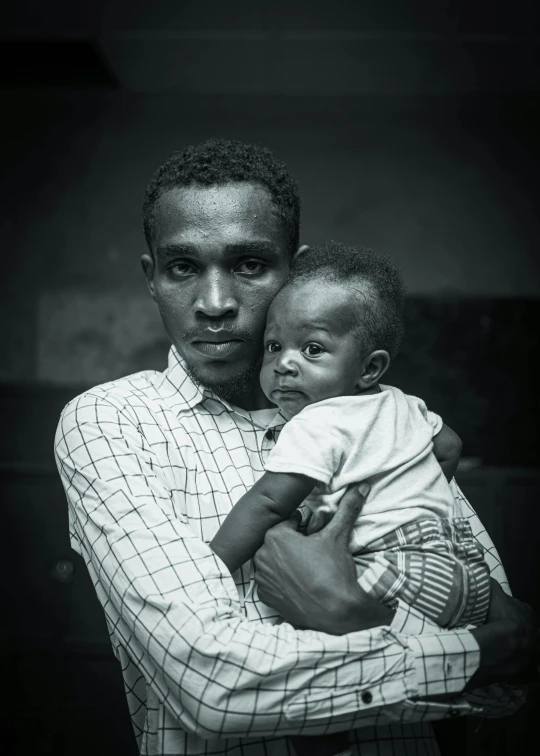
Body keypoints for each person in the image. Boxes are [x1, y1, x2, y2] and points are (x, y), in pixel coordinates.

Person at [55, 138, 536, 756]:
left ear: (294, 272)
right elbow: (211, 686)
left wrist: (354, 620)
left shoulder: (382, 419)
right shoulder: (116, 423)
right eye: (182, 268)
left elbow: (514, 672)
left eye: (250, 265)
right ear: (152, 278)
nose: (215, 303)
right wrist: (404, 635)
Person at [210, 241, 491, 756]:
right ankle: (451, 736)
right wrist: (405, 489)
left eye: (312, 349)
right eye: (274, 348)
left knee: (305, 619)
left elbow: (270, 502)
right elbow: (449, 446)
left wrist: (210, 567)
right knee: (451, 677)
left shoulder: (316, 420)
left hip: (393, 570)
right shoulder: (402, 404)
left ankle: (323, 740)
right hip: (459, 572)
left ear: (369, 367)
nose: (286, 365)